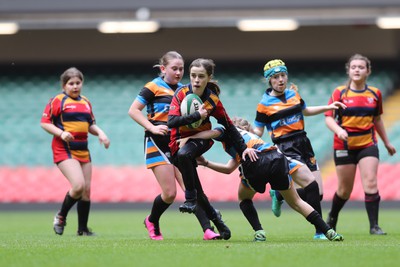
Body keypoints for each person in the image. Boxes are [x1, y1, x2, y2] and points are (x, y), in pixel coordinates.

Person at [179, 117, 344, 242]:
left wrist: (189, 138)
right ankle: (328, 231)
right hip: (277, 157)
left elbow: (212, 134)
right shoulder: (249, 136)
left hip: (256, 162)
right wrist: (207, 163)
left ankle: (259, 231)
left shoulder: (227, 129)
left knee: (243, 198)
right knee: (296, 202)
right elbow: (230, 167)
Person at [128, 51, 225, 240]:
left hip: (177, 141)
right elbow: (133, 110)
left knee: (191, 188)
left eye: (181, 69)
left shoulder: (185, 91)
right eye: (174, 68)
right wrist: (152, 128)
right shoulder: (153, 87)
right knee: (170, 194)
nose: (179, 72)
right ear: (163, 69)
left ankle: (207, 230)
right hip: (156, 142)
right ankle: (152, 220)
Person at [252, 59, 347, 239]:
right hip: (285, 147)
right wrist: (247, 133)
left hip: (303, 142)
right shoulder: (264, 104)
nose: (281, 80)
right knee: (310, 185)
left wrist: (329, 106)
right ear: (269, 80)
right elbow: (258, 129)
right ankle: (320, 231)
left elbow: (305, 110)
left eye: (283, 75)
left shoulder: (293, 94)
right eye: (276, 77)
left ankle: (280, 194)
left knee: (317, 193)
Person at [167, 58, 258, 239]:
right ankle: (218, 221)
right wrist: (196, 115)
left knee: (186, 156)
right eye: (193, 76)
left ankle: (190, 199)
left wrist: (243, 149)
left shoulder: (212, 100)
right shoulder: (180, 93)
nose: (196, 80)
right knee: (197, 187)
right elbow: (171, 122)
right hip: (177, 142)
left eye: (201, 76)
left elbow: (229, 126)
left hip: (200, 141)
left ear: (208, 78)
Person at [324, 54, 396, 235]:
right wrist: (338, 130)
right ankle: (332, 217)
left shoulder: (375, 94)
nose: (357, 70)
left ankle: (374, 226)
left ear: (368, 71)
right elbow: (328, 118)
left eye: (361, 67)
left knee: (371, 183)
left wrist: (387, 143)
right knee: (344, 190)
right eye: (353, 67)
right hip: (344, 146)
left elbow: (377, 120)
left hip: (367, 144)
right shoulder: (339, 93)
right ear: (348, 70)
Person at [40, 67, 110, 236]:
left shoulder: (85, 101)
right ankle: (61, 216)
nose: (75, 86)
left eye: (78, 83)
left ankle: (83, 229)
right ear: (64, 85)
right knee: (78, 186)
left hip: (83, 149)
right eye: (71, 83)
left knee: (86, 191)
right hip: (64, 149)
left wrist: (101, 133)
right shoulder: (57, 100)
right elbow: (45, 123)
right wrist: (61, 133)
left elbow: (90, 124)